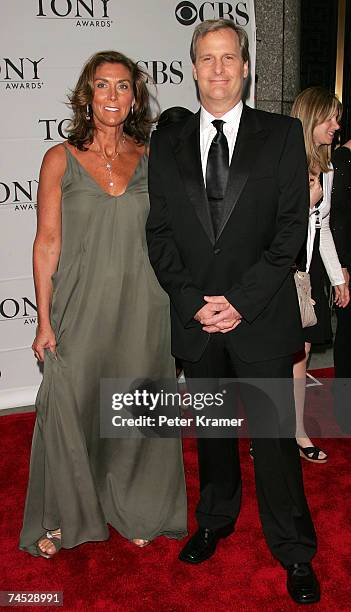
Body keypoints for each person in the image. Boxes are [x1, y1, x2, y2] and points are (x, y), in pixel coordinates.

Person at [147, 18, 320, 605]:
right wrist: (195, 304)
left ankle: (294, 550)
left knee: (273, 441)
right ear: (192, 68)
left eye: (229, 58)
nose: (218, 69)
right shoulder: (166, 143)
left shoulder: (280, 135)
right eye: (207, 58)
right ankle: (215, 519)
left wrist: (240, 303)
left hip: (260, 316)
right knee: (215, 437)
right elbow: (161, 233)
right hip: (198, 323)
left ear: (246, 67)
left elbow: (291, 232)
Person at [19, 50, 187, 558]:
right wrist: (44, 321)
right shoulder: (60, 158)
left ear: (134, 97)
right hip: (80, 304)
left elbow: (175, 235)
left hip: (145, 305)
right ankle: (65, 516)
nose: (112, 95)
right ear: (86, 96)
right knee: (71, 403)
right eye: (102, 86)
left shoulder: (152, 158)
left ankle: (138, 506)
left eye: (122, 86)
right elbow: (46, 243)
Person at [291, 87, 349, 462]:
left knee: (302, 351)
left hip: (308, 270)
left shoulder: (326, 166)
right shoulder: (282, 160)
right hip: (279, 269)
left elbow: (322, 226)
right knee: (278, 355)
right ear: (311, 118)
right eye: (330, 118)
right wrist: (305, 201)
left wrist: (338, 277)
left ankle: (294, 431)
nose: (337, 125)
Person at [331, 138, 351, 431]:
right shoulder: (341, 161)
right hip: (347, 261)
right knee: (348, 335)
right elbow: (334, 218)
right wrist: (342, 268)